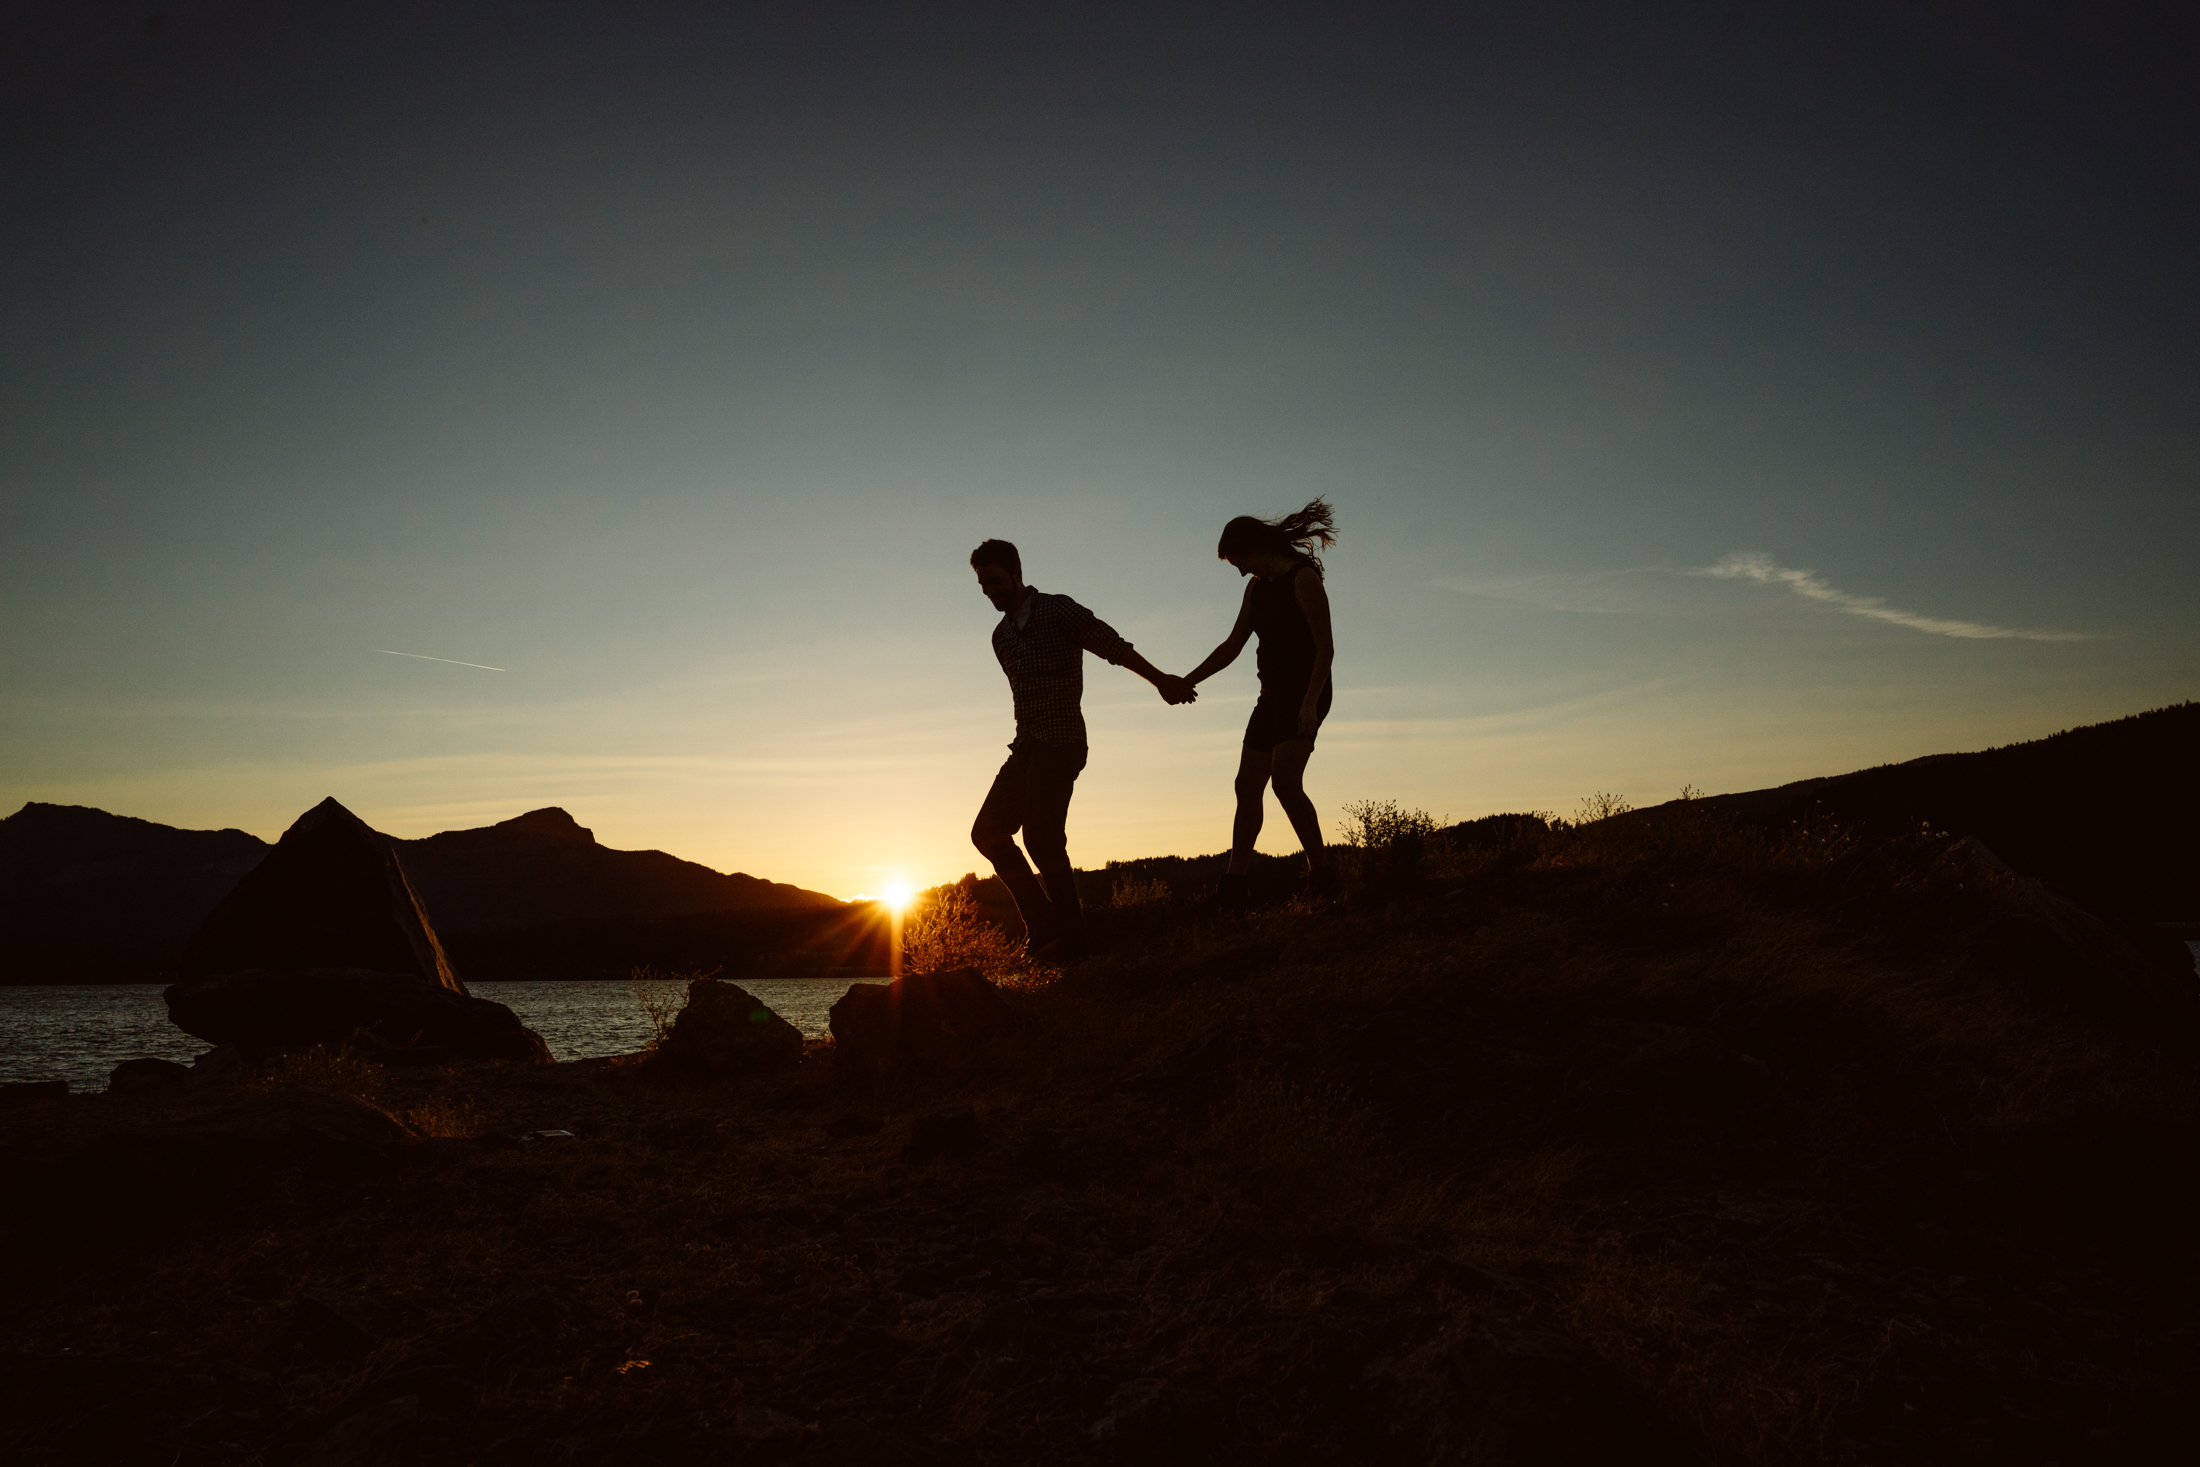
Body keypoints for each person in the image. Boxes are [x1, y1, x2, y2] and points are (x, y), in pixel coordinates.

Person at [970, 538, 1194, 956]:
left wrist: (1161, 679)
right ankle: (1047, 927)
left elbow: (1111, 645)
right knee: (987, 834)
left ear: (1017, 573)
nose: (989, 591)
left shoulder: (1057, 609)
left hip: (1063, 740)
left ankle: (1073, 941)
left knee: (1042, 838)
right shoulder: (1001, 637)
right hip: (1026, 745)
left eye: (996, 581)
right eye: (983, 585)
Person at [1181, 499, 1338, 906]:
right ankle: (1234, 886)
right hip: (1271, 696)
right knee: (1246, 785)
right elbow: (1233, 645)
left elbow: (1325, 649)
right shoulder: (1257, 588)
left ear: (1253, 550)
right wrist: (1187, 681)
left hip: (1306, 693)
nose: (1238, 570)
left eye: (1237, 560)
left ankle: (1323, 875)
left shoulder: (1303, 580)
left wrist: (1309, 705)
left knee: (1286, 783)